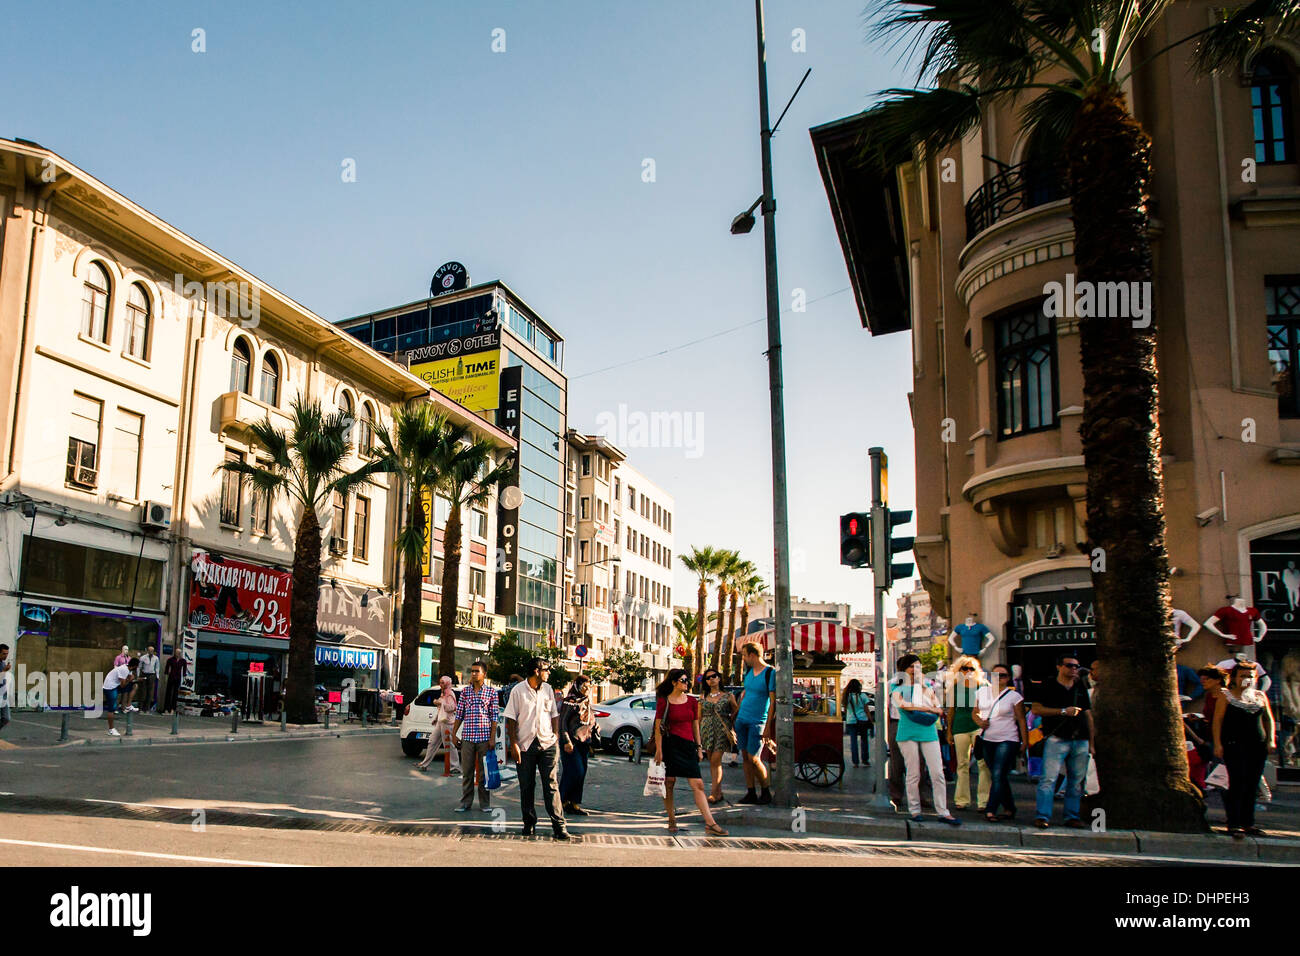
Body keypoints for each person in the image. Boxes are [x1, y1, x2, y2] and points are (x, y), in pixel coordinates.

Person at [653, 669, 728, 836]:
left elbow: (695, 725)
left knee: (698, 784)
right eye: (683, 680)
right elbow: (658, 727)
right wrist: (659, 750)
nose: (686, 683)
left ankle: (710, 823)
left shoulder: (692, 702)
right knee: (669, 782)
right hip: (670, 745)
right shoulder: (664, 702)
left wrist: (699, 747)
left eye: (687, 680)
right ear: (674, 682)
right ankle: (671, 818)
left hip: (687, 746)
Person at [892, 655, 961, 825]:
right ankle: (914, 810)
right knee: (913, 773)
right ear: (904, 669)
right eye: (911, 667)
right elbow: (902, 705)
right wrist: (926, 708)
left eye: (918, 667)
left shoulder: (926, 686)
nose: (915, 670)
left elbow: (938, 707)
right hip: (907, 732)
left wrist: (922, 689)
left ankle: (943, 811)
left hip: (928, 731)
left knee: (937, 772)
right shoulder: (896, 686)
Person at [503, 658, 568, 839]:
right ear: (537, 671)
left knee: (551, 785)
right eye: (546, 669)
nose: (549, 672)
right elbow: (510, 718)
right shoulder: (518, 691)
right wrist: (514, 744)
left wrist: (555, 736)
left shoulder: (548, 689)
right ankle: (529, 823)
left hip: (547, 743)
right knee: (527, 786)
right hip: (525, 744)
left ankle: (559, 826)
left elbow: (554, 714)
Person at [1212, 661, 1276, 838]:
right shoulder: (1226, 696)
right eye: (1243, 676)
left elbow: (1268, 719)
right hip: (1234, 745)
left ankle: (1248, 823)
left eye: (1250, 676)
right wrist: (1218, 744)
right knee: (1237, 783)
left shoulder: (1260, 696)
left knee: (1252, 784)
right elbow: (1217, 721)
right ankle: (1234, 823)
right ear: (1234, 678)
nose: (1247, 679)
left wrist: (1271, 740)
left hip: (1257, 745)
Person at [1029, 653, 1093, 829]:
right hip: (1057, 738)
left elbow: (1088, 714)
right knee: (1048, 779)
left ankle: (1071, 815)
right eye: (1069, 665)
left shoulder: (1080, 686)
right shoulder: (1048, 685)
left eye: (1076, 666)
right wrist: (1063, 711)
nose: (1073, 669)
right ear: (1059, 667)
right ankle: (1042, 815)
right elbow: (1036, 709)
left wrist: (1092, 742)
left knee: (1077, 781)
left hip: (1080, 739)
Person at [976, 663, 1028, 822]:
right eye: (996, 675)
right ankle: (1010, 807)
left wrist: (1024, 741)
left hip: (1008, 738)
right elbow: (975, 712)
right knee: (999, 775)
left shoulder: (1014, 696)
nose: (999, 678)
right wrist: (979, 721)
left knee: (998, 774)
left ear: (1008, 678)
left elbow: (1021, 719)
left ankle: (990, 809)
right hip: (987, 738)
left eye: (1003, 675)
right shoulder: (981, 692)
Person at [451, 660, 498, 813]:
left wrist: (492, 738)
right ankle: (465, 803)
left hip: (484, 738)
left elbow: (494, 718)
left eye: (477, 671)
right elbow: (459, 714)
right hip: (468, 738)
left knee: (484, 773)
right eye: (472, 671)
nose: (473, 674)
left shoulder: (491, 693)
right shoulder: (465, 692)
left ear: (484, 674)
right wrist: (454, 734)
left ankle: (485, 804)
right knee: (467, 772)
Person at [945, 656, 991, 812]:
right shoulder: (954, 687)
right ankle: (962, 800)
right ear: (958, 670)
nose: (969, 671)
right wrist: (949, 731)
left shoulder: (983, 686)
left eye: (972, 668)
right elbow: (951, 711)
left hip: (979, 727)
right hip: (960, 726)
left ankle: (983, 801)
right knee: (962, 764)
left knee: (982, 763)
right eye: (965, 668)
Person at [733, 641, 776, 805]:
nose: (743, 658)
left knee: (754, 758)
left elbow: (772, 702)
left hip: (757, 721)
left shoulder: (769, 673)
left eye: (744, 655)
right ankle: (750, 791)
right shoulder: (749, 672)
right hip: (742, 719)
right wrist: (736, 713)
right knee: (745, 757)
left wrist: (767, 727)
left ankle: (765, 790)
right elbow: (745, 693)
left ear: (752, 655)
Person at [559, 674, 597, 816]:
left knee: (581, 773)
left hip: (584, 741)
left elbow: (589, 719)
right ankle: (562, 800)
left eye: (589, 685)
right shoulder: (570, 701)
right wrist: (566, 741)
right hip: (571, 742)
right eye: (584, 685)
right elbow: (562, 722)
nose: (587, 688)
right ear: (577, 686)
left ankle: (574, 803)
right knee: (575, 771)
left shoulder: (586, 700)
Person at [698, 669, 737, 804]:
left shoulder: (728, 696)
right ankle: (718, 792)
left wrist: (730, 723)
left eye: (714, 676)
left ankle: (714, 793)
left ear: (719, 678)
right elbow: (699, 716)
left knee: (716, 760)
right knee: (712, 762)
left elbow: (736, 711)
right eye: (708, 678)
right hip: (706, 730)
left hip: (721, 730)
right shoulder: (703, 697)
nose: (711, 679)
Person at [418, 676, 460, 773]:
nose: (441, 685)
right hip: (441, 721)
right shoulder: (444, 693)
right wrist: (436, 718)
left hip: (447, 723)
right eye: (440, 682)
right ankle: (424, 764)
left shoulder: (450, 694)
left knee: (448, 745)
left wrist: (441, 703)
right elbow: (441, 710)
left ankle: (455, 767)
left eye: (443, 683)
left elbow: (453, 707)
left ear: (447, 683)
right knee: (432, 741)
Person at [103, 658, 139, 736]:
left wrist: (134, 679)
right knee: (111, 709)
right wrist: (129, 680)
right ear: (135, 666)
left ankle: (128, 705)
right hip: (110, 687)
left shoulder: (128, 669)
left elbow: (129, 680)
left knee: (135, 686)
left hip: (116, 685)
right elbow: (123, 685)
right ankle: (111, 729)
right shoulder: (124, 670)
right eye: (137, 666)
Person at [842, 678, 872, 768]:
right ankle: (865, 760)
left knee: (853, 741)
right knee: (864, 740)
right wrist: (870, 720)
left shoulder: (846, 696)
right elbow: (866, 710)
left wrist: (847, 719)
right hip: (862, 720)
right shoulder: (862, 696)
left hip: (851, 721)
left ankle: (855, 762)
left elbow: (846, 710)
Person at [162, 647, 187, 714]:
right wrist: (166, 678)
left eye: (179, 653)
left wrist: (184, 678)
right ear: (175, 653)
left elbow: (184, 670)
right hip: (171, 677)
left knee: (175, 694)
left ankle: (173, 708)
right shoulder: (170, 660)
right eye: (176, 652)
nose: (178, 654)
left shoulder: (183, 661)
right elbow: (167, 669)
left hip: (178, 678)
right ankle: (166, 708)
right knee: (168, 693)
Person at [138, 646, 159, 713]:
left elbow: (157, 668)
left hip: (152, 675)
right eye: (150, 651)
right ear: (147, 651)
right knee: (143, 692)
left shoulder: (156, 658)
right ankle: (141, 708)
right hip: (144, 674)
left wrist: (157, 676)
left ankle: (147, 708)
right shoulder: (143, 658)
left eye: (152, 651)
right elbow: (139, 667)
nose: (151, 652)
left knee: (150, 693)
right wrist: (138, 676)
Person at [0, 644, 10, 732]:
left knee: (6, 718)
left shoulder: (3, 663)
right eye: (3, 653)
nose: (6, 656)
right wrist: (4, 671)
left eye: (7, 653)